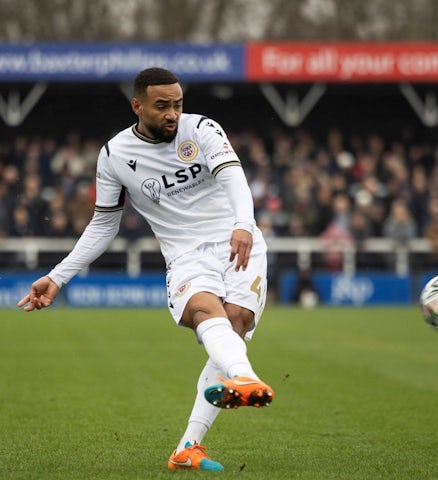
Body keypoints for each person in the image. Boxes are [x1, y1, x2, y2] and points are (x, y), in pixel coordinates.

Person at [17, 67, 274, 472]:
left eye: (177, 104)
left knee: (236, 323)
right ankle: (243, 376)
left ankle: (188, 447)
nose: (172, 113)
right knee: (208, 312)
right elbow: (104, 223)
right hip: (186, 256)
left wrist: (243, 224)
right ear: (137, 106)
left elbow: (234, 178)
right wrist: (58, 276)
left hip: (238, 241)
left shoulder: (202, 129)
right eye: (162, 106)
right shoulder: (115, 155)